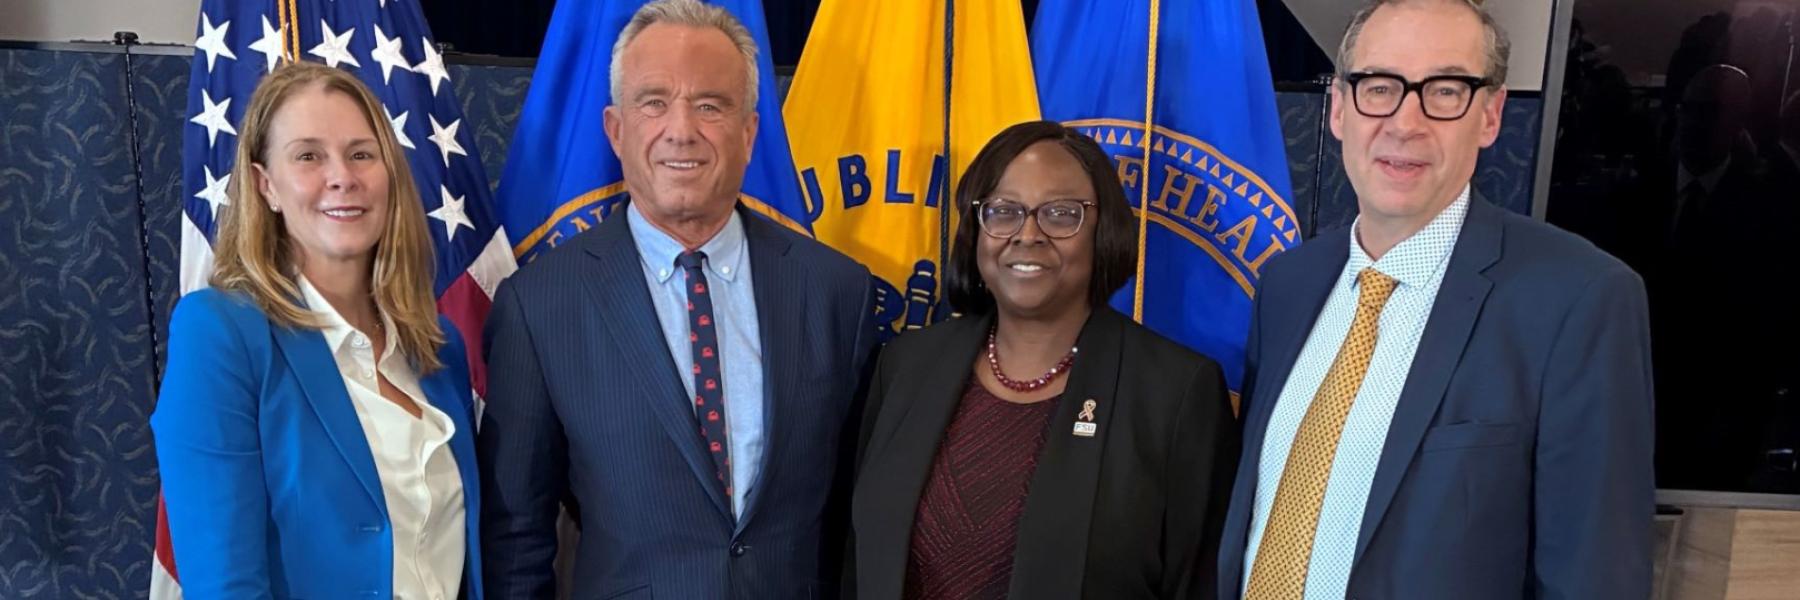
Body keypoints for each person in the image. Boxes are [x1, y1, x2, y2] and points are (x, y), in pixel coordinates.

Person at [1216, 1, 1655, 599]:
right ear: (1340, 107)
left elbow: (1594, 579)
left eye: (1445, 91)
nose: (1405, 122)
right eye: (1380, 86)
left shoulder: (1580, 300)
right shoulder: (1287, 286)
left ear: (1491, 115)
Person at [477, 0, 878, 598]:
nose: (681, 129)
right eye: (654, 102)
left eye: (711, 105)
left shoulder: (836, 291)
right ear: (615, 129)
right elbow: (516, 536)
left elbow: (854, 513)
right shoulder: (538, 306)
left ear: (749, 133)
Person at [848, 121, 1240, 599]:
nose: (1027, 234)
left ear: (1103, 230)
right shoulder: (905, 365)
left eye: (1059, 214)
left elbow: (1198, 584)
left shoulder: (1175, 392)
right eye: (1003, 211)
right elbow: (856, 560)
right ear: (976, 231)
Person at [152, 61, 483, 599]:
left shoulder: (437, 345)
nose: (341, 176)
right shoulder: (222, 334)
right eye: (308, 155)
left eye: (361, 154)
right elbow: (224, 585)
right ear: (266, 186)